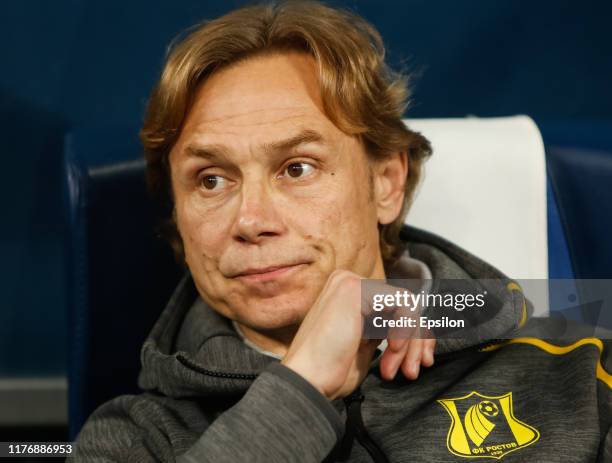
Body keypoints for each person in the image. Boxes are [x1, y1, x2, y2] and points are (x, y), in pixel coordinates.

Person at [74, 1, 612, 461]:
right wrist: (297, 394)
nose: (251, 221)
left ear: (386, 183)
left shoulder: (584, 370)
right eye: (211, 180)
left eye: (297, 168)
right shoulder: (134, 437)